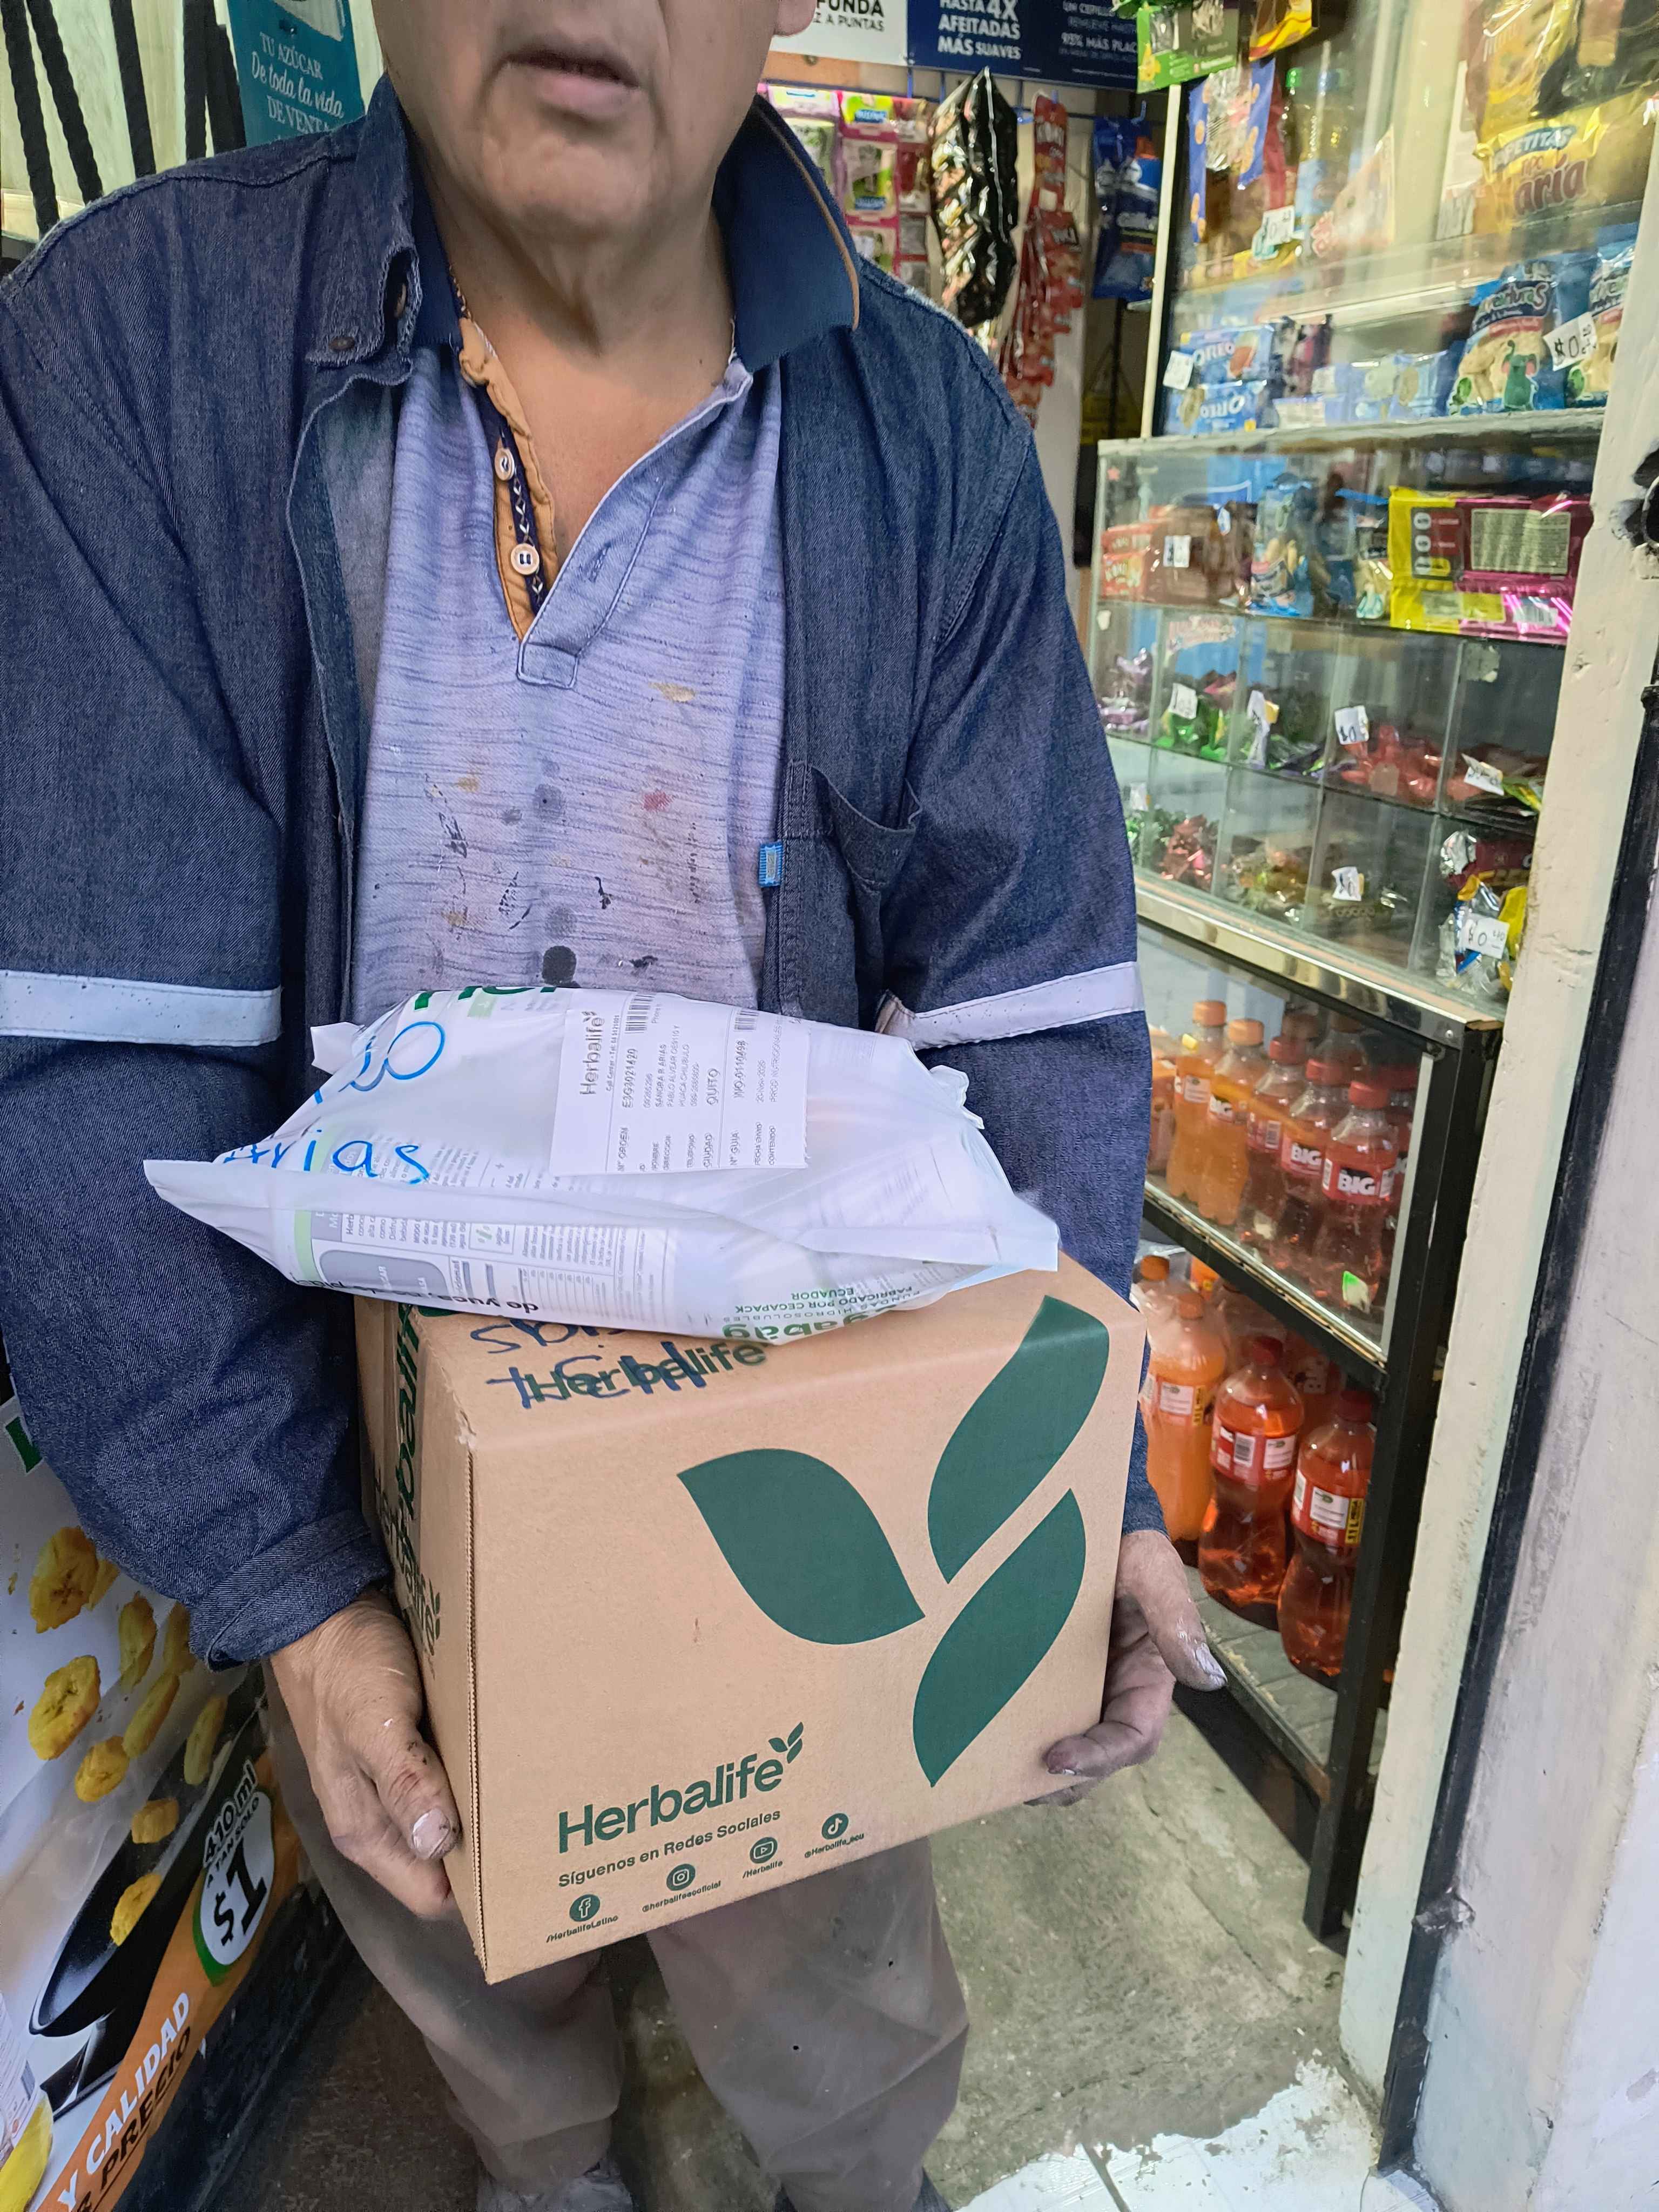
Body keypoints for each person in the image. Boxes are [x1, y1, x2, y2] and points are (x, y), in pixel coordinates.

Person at [0, 5, 1225, 2209]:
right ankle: (551, 2166)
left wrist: (1081, 1465)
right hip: (368, 1456)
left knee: (830, 1978)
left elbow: (1034, 1008)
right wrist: (291, 1582)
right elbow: (93, 1045)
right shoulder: (137, 352)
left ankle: (847, 2178)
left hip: (800, 1441)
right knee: (459, 1919)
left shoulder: (928, 441)